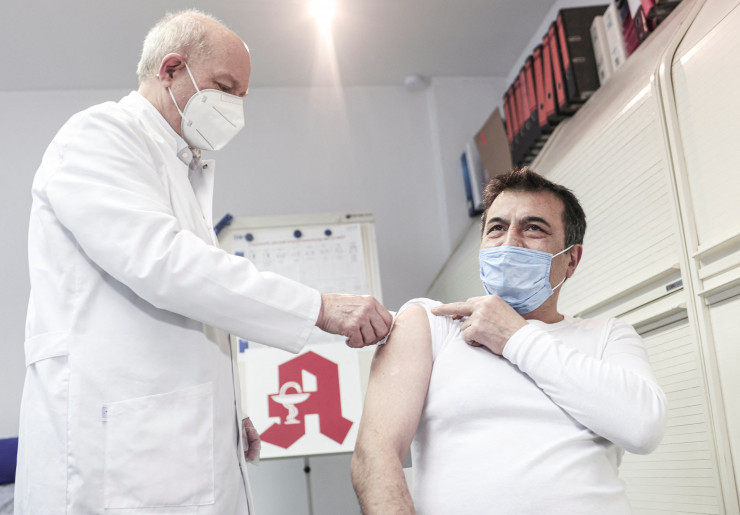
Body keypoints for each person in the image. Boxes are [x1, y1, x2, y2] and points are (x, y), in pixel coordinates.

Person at [16, 9, 392, 515]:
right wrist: (318, 307)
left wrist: (224, 411)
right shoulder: (99, 134)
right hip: (113, 447)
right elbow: (163, 263)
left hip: (164, 439)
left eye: (242, 95)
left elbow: (190, 314)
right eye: (225, 87)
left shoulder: (179, 167)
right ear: (171, 69)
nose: (235, 107)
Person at [351, 167, 667, 514]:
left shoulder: (608, 336)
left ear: (571, 260)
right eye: (497, 228)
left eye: (533, 228)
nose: (509, 242)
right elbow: (374, 454)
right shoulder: (431, 323)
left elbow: (642, 429)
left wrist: (515, 336)